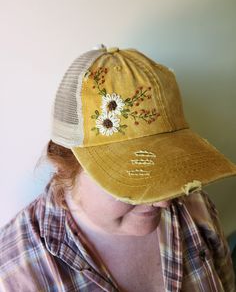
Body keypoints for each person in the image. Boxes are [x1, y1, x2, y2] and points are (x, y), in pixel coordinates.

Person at [0, 45, 235, 292]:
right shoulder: (15, 275)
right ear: (66, 165)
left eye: (169, 169)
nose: (166, 201)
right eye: (134, 178)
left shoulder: (194, 207)